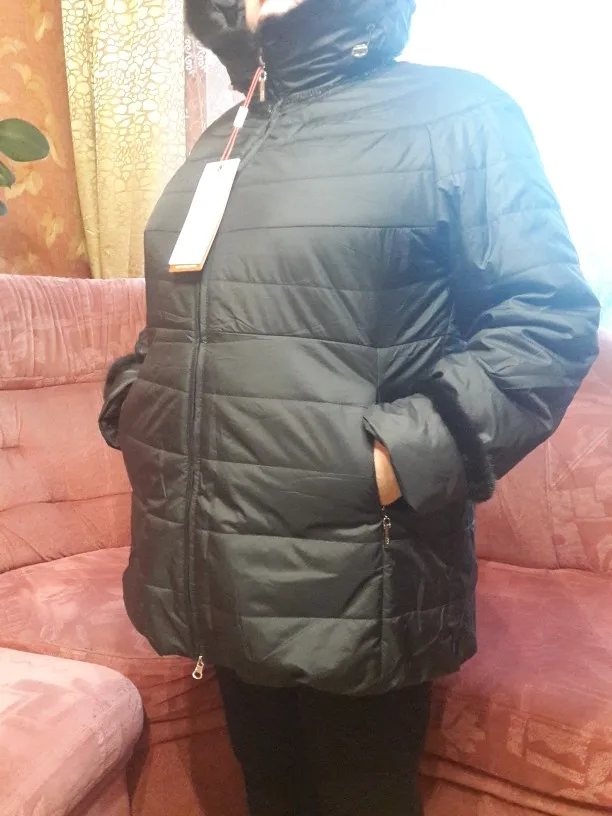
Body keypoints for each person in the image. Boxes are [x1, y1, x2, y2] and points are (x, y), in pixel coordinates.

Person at [99, 1, 600, 814]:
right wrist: (136, 401)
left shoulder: (457, 113)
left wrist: (397, 459)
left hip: (357, 558)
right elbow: (185, 317)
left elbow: (546, 319)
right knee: (269, 792)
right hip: (215, 550)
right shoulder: (225, 135)